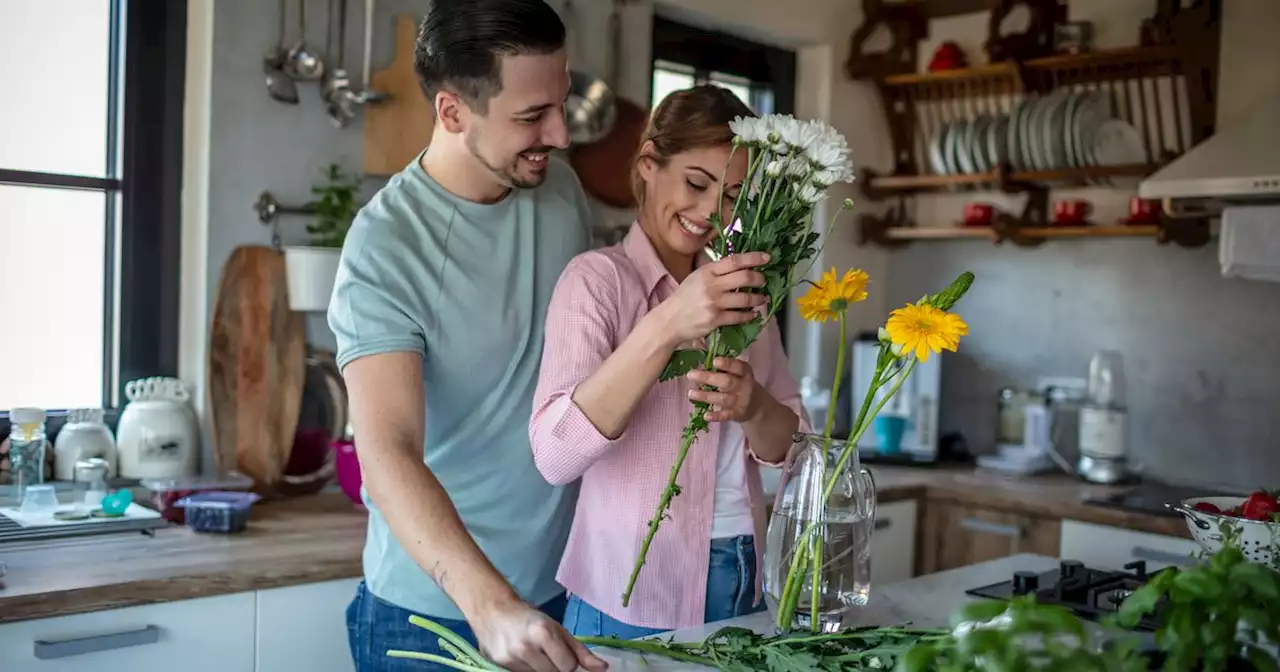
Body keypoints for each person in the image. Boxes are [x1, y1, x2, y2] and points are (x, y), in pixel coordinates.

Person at [327, 1, 607, 670]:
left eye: (559, 105)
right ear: (452, 112)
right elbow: (388, 451)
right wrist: (490, 605)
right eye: (531, 117)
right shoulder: (385, 247)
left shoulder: (560, 190)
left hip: (560, 597)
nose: (561, 135)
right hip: (436, 619)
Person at [528, 86, 807, 638]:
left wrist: (752, 404)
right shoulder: (595, 282)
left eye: (731, 197)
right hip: (625, 591)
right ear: (649, 163)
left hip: (747, 577)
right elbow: (555, 455)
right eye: (696, 184)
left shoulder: (746, 291)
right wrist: (668, 323)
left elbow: (797, 452)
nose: (710, 213)